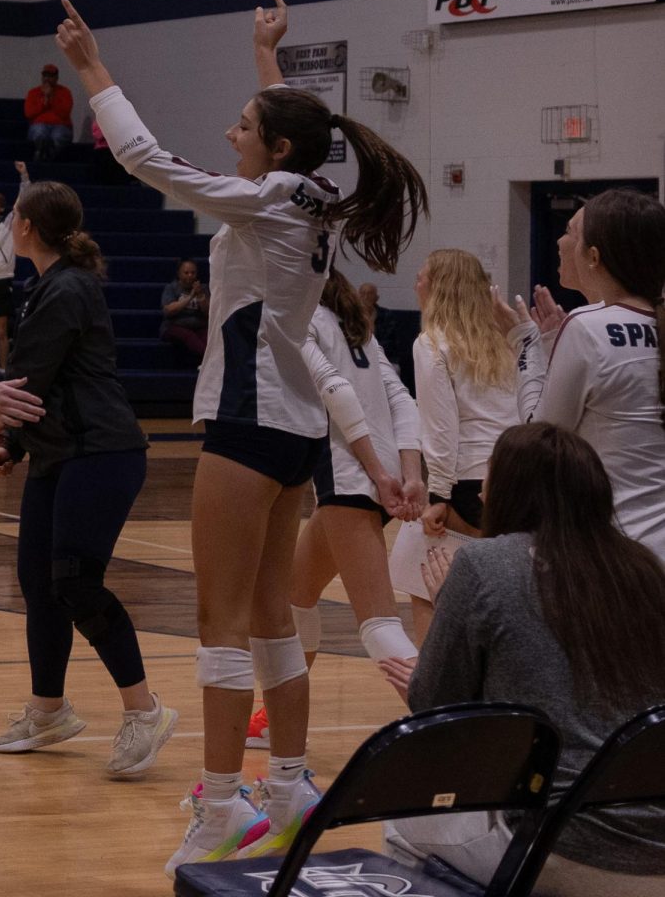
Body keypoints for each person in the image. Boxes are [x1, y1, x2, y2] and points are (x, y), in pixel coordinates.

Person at [54, 0, 428, 875]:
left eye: (244, 123)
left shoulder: (268, 203)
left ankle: (222, 806)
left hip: (250, 418)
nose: (232, 132)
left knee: (219, 621)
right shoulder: (313, 196)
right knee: (268, 618)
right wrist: (270, 57)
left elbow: (143, 157)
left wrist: (93, 69)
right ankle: (290, 784)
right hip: (295, 428)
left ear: (277, 149)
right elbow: (300, 142)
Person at [381, 423, 665, 896]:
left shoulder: (482, 565)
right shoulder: (643, 569)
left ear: (512, 488)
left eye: (489, 476)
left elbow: (436, 712)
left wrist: (449, 609)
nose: (483, 491)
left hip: (567, 848)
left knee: (401, 816)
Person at [0, 180, 178, 775]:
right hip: (60, 452)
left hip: (101, 451)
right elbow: (47, 384)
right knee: (38, 581)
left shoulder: (66, 287)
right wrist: (14, 442)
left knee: (74, 582)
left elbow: (29, 377)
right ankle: (49, 710)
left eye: (14, 216)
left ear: (27, 227)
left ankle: (144, 710)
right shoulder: (48, 285)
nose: (9, 224)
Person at [246, 266, 423, 750]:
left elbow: (336, 393)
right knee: (294, 599)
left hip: (349, 479)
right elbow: (402, 400)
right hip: (368, 477)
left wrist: (381, 476)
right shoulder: (357, 328)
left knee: (380, 627)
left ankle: (448, 724)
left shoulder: (300, 321)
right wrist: (409, 472)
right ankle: (274, 716)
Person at [492, 188, 665, 560]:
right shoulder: (631, 323)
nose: (559, 240)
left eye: (571, 231)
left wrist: (524, 342)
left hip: (618, 553)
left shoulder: (588, 326)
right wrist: (554, 342)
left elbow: (541, 437)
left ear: (594, 257)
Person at [389, 250, 519, 643]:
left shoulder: (431, 342)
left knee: (419, 576)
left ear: (440, 287)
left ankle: (439, 698)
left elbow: (440, 427)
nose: (416, 282)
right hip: (515, 478)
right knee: (502, 591)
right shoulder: (503, 342)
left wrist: (438, 495)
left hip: (466, 484)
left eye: (423, 275)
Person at [0, 160, 30, 374]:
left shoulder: (7, 224)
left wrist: (24, 177)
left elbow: (23, 202)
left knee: (0, 331)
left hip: (0, 281)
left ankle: (3, 368)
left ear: (1, 207)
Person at [160, 259, 210, 363]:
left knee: (210, 337)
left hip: (199, 326)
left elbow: (208, 313)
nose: (190, 276)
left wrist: (200, 296)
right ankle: (208, 361)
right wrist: (191, 296)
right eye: (186, 273)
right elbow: (169, 310)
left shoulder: (203, 288)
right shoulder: (172, 288)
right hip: (175, 326)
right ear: (179, 273)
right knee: (188, 335)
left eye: (193, 273)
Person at [24, 64, 73, 161]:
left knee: (58, 136)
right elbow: (29, 113)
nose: (47, 79)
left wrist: (51, 98)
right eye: (45, 76)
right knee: (40, 133)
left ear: (56, 78)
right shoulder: (33, 92)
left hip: (61, 125)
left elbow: (65, 112)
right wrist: (44, 102)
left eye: (50, 76)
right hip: (39, 124)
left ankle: (45, 158)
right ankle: (43, 156)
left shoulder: (65, 92)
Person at [358, 281, 399, 367]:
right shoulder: (352, 316)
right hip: (359, 357)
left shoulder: (386, 315)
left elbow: (389, 343)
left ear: (376, 298)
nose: (366, 297)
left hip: (384, 357)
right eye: (363, 293)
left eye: (370, 294)